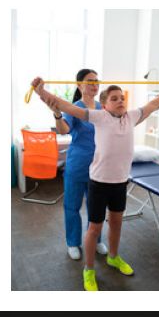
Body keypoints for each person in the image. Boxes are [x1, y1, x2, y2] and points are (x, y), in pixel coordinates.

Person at [31, 76, 159, 291]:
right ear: (105, 105)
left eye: (122, 98)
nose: (120, 101)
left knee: (116, 222)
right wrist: (41, 93)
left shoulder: (132, 116)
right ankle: (88, 270)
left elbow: (154, 105)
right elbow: (68, 107)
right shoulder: (99, 117)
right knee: (94, 228)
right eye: (114, 99)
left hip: (120, 182)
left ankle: (113, 257)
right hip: (99, 183)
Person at [47, 69, 108, 260]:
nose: (94, 84)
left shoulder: (102, 107)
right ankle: (73, 243)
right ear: (79, 85)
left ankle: (96, 240)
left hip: (98, 166)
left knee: (96, 207)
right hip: (77, 165)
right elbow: (64, 129)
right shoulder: (74, 107)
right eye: (90, 81)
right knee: (72, 206)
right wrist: (57, 114)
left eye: (97, 80)